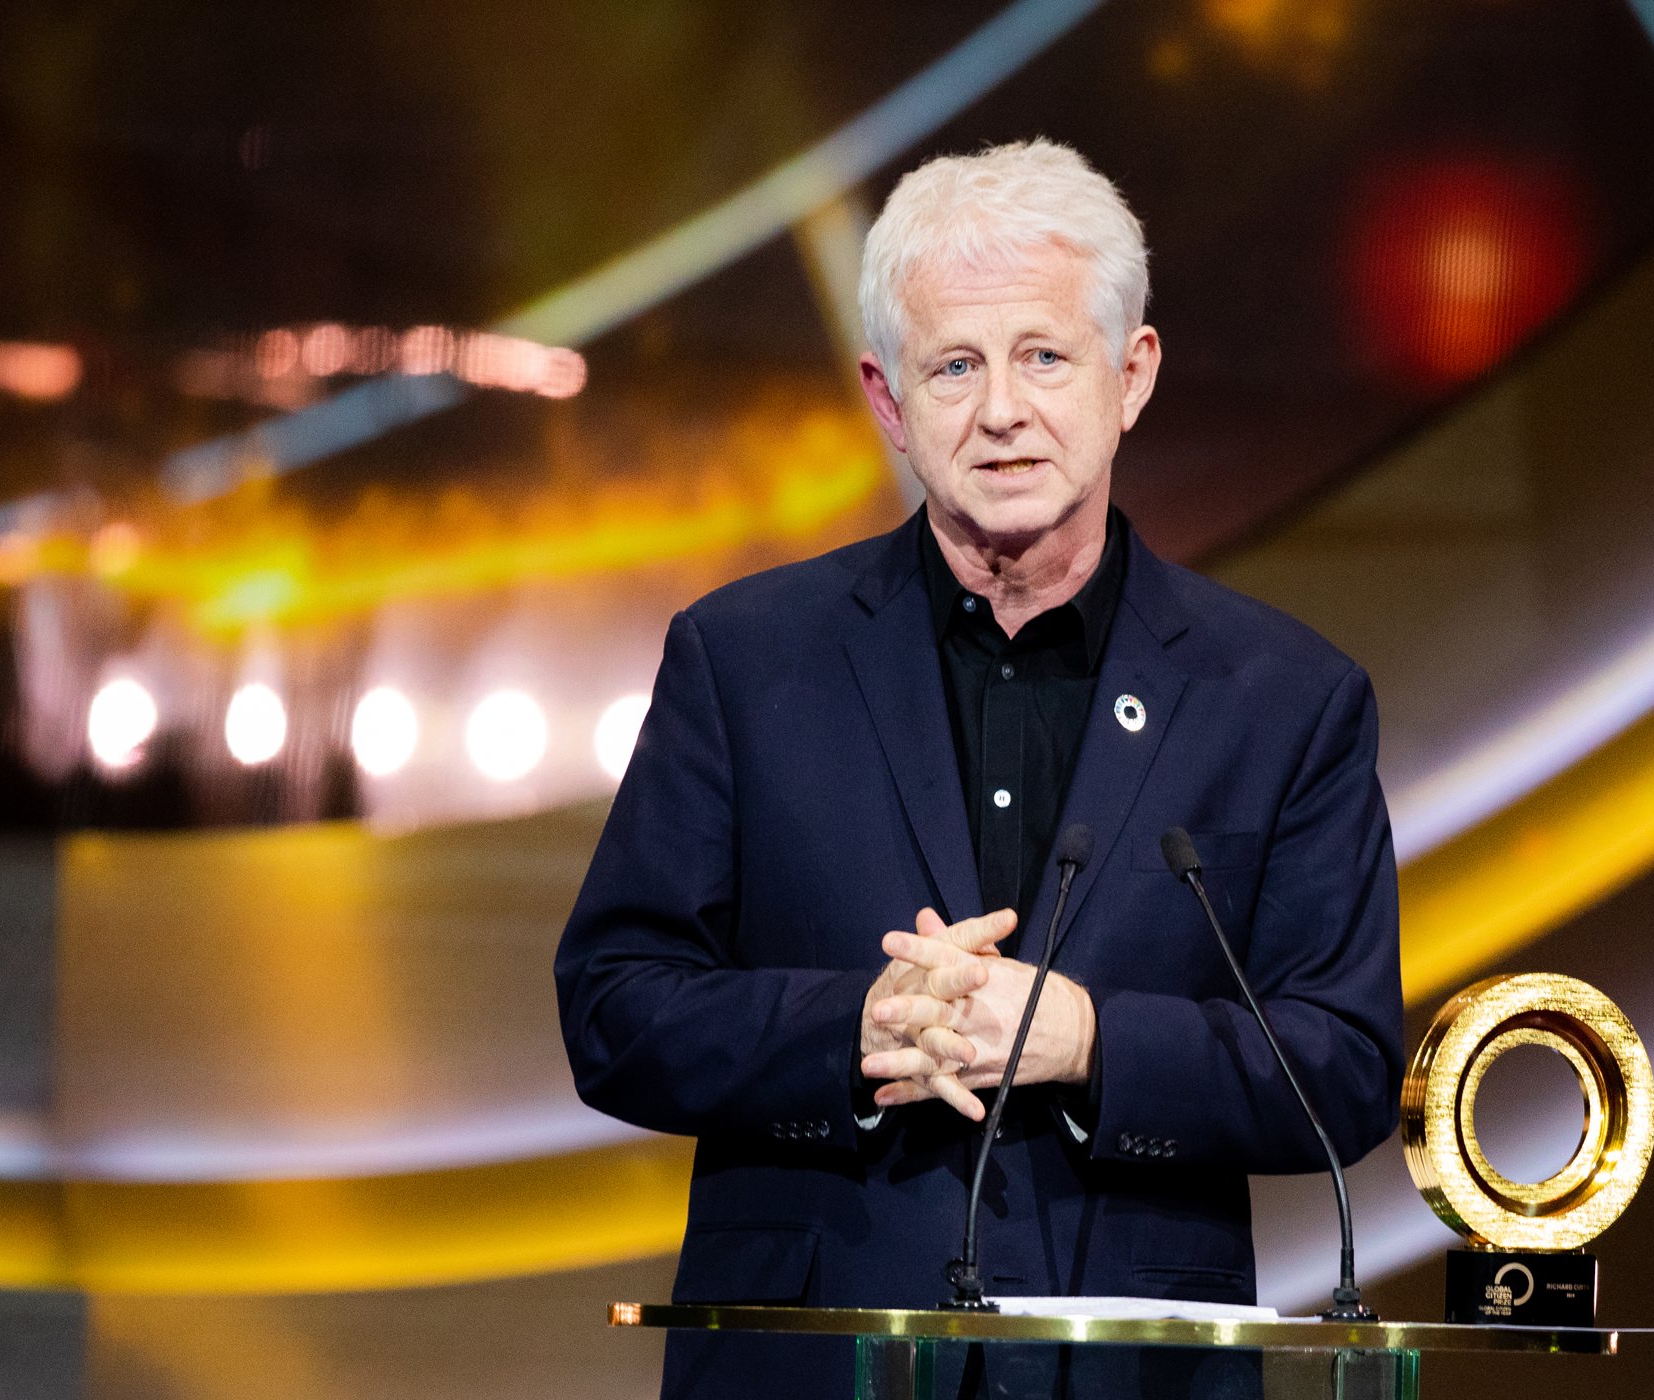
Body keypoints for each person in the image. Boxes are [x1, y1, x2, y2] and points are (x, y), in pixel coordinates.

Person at [555, 139, 1403, 1400]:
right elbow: (615, 1005)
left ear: (1131, 375)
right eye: (954, 365)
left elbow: (1343, 1063)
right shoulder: (743, 660)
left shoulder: (1283, 697)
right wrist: (855, 1027)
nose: (1001, 409)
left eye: (1044, 355)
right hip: (815, 1363)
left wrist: (1092, 1039)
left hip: (1127, 1375)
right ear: (888, 401)